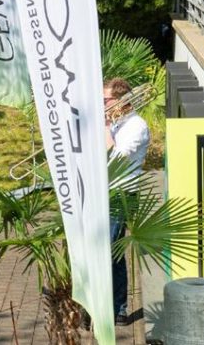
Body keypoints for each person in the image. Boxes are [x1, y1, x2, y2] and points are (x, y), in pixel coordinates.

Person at [104, 77, 150, 326]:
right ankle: (109, 306)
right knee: (110, 252)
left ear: (120, 100)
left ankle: (118, 307)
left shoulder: (137, 126)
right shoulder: (116, 123)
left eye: (105, 100)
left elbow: (116, 158)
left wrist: (104, 128)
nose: (102, 105)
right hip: (102, 191)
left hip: (122, 194)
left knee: (111, 249)